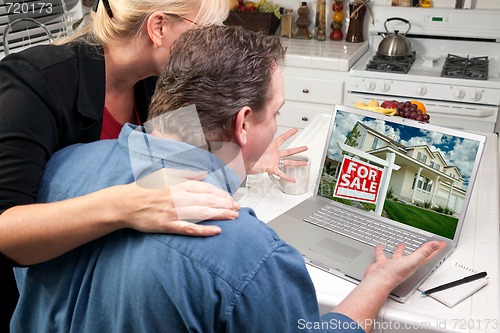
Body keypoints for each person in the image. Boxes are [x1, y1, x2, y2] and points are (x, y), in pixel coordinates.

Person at [11, 25, 446, 333]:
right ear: (242, 123)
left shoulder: (61, 168)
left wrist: (239, 162)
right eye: (275, 113)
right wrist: (379, 280)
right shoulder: (249, 255)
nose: (276, 123)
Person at [0, 0, 306, 328]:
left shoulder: (155, 81)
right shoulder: (35, 85)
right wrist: (127, 204)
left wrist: (245, 153)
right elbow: (6, 230)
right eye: (203, 30)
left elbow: (190, 150)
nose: (210, 43)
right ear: (158, 27)